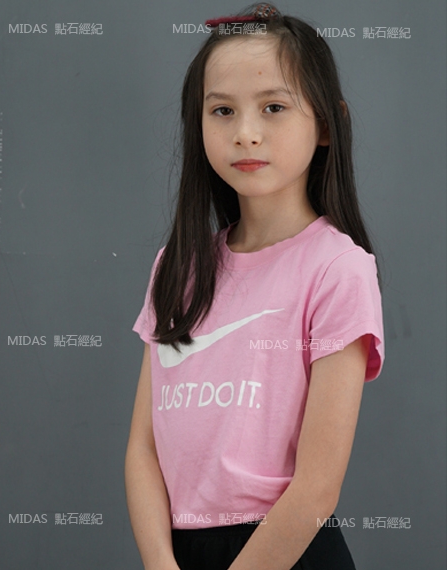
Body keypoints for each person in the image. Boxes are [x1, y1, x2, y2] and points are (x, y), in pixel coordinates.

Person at [125, 3, 385, 569]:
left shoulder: (337, 269)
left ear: (326, 124)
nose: (245, 133)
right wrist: (159, 562)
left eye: (274, 107)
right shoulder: (178, 266)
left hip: (286, 551)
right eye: (222, 110)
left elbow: (316, 489)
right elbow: (143, 449)